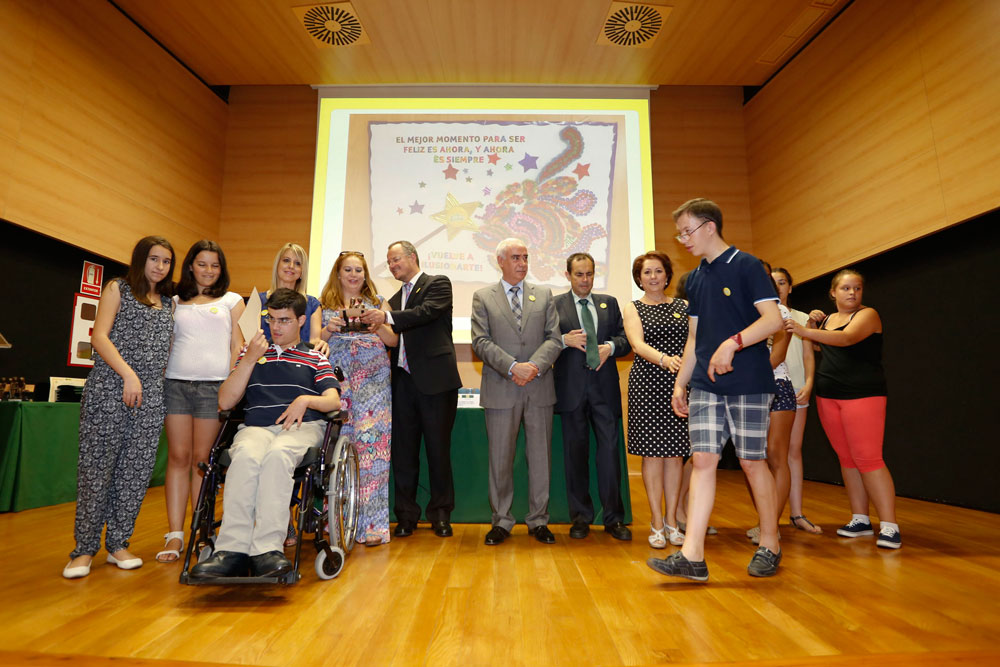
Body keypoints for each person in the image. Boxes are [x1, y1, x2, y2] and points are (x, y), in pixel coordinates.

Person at [648, 197, 783, 582]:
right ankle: (692, 555)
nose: (683, 239)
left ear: (710, 227)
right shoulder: (694, 279)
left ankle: (770, 542)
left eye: (687, 231)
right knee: (703, 462)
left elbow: (773, 319)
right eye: (680, 233)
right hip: (706, 385)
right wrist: (680, 382)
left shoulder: (747, 266)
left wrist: (734, 342)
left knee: (751, 462)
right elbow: (694, 337)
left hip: (749, 383)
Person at [191, 289, 341, 578]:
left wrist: (306, 400)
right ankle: (231, 551)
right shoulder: (253, 354)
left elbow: (333, 402)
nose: (275, 327)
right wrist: (248, 360)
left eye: (284, 320)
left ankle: (267, 550)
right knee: (245, 456)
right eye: (271, 319)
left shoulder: (315, 357)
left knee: (278, 456)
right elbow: (225, 402)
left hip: (301, 427)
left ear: (300, 320)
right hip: (257, 427)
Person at [63, 236, 175, 579]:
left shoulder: (169, 303)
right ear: (140, 259)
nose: (160, 266)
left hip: (151, 398)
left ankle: (118, 543)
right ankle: (83, 550)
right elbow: (99, 336)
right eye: (154, 258)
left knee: (136, 471)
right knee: (98, 469)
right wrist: (129, 375)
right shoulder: (118, 288)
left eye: (166, 261)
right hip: (111, 388)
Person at [785, 269, 900, 548]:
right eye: (846, 289)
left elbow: (847, 339)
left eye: (857, 288)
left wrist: (805, 330)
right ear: (833, 293)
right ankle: (860, 519)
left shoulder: (867, 315)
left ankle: (889, 525)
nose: (852, 293)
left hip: (863, 394)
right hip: (829, 395)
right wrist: (813, 326)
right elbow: (826, 348)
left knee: (868, 458)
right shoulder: (827, 321)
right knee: (847, 459)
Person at [359, 241, 462, 539]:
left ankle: (441, 515)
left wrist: (386, 317)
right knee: (404, 453)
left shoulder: (437, 284)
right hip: (402, 382)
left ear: (412, 257)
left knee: (438, 451)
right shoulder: (391, 299)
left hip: (436, 382)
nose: (391, 266)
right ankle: (406, 516)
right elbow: (390, 337)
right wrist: (373, 323)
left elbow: (427, 312)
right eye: (388, 262)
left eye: (395, 259)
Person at [158, 240, 245, 563]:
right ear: (190, 265)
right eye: (202, 263)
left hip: (214, 389)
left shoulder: (233, 300)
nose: (208, 271)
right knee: (178, 456)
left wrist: (232, 386)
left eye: (215, 265)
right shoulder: (173, 301)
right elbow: (166, 342)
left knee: (201, 459)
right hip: (175, 385)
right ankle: (175, 535)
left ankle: (201, 531)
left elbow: (239, 345)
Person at [471, 238, 562, 545]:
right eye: (515, 257)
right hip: (501, 387)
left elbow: (554, 338)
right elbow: (480, 341)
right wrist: (513, 367)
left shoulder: (544, 294)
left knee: (540, 459)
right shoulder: (483, 296)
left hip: (539, 387)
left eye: (525, 257)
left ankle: (538, 520)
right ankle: (502, 521)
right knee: (500, 459)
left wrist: (533, 366)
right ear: (500, 261)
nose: (522, 263)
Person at [318, 251, 397, 546]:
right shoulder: (323, 304)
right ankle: (336, 522)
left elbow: (393, 341)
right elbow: (315, 341)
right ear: (338, 273)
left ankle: (373, 525)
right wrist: (330, 328)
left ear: (365, 274)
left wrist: (377, 323)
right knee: (338, 448)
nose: (353, 275)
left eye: (359, 270)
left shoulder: (377, 303)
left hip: (374, 382)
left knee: (374, 449)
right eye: (348, 269)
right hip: (338, 381)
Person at [553, 253, 632, 541]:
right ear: (568, 275)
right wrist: (563, 340)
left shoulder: (608, 303)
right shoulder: (554, 305)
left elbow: (626, 340)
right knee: (575, 457)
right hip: (570, 392)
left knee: (610, 455)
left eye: (589, 274)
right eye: (579, 275)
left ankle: (614, 518)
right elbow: (543, 341)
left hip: (605, 391)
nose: (585, 280)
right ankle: (581, 517)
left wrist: (610, 346)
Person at [622, 251, 689, 549]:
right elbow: (636, 344)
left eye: (658, 271)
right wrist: (666, 361)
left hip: (681, 384)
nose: (653, 277)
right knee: (652, 455)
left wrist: (682, 370)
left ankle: (674, 521)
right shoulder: (633, 308)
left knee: (675, 454)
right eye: (647, 272)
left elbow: (694, 341)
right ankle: (656, 522)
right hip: (648, 383)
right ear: (639, 278)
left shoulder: (683, 306)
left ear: (667, 275)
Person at [745, 261, 794, 545]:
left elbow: (777, 355)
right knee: (754, 458)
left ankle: (771, 525)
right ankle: (764, 521)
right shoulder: (743, 309)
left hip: (775, 386)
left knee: (777, 456)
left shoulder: (780, 311)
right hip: (748, 390)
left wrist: (752, 378)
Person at [772, 267, 821, 534]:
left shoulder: (803, 318)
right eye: (772, 282)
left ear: (790, 287)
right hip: (770, 391)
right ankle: (770, 519)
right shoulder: (762, 316)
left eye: (782, 282)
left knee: (793, 451)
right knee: (772, 455)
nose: (778, 286)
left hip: (798, 389)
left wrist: (810, 383)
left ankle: (797, 513)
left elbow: (808, 356)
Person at [259, 243, 327, 355]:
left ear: (302, 271)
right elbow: (250, 339)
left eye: (297, 263)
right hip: (264, 364)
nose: (291, 266)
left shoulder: (312, 305)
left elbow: (314, 342)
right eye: (286, 260)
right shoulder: (258, 300)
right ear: (277, 265)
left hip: (299, 366)